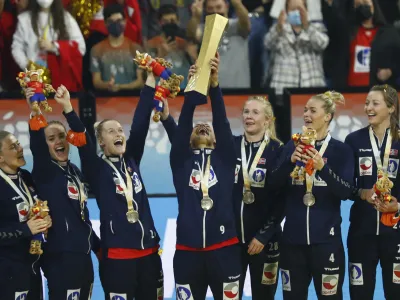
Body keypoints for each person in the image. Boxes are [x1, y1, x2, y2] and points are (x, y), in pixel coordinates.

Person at [50, 71, 165, 299]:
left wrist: (150, 83)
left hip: (150, 254)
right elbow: (83, 140)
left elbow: (140, 124)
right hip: (118, 258)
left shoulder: (132, 159)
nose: (118, 133)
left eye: (120, 130)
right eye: (111, 131)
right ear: (101, 142)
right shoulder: (96, 169)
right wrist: (68, 109)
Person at [171, 54, 242, 300]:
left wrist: (214, 85)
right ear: (189, 140)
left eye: (207, 128)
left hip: (224, 250)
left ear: (216, 140)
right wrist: (192, 89)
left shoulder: (225, 158)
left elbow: (221, 123)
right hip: (187, 252)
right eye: (196, 128)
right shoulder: (180, 161)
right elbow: (182, 127)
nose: (202, 126)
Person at [271, 91, 354, 299]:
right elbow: (271, 185)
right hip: (292, 244)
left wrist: (322, 168)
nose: (306, 114)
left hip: (327, 244)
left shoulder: (341, 151)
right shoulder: (292, 146)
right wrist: (289, 161)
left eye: (312, 110)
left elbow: (346, 191)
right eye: (305, 110)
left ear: (327, 116)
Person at [25, 87, 99, 299]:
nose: (59, 141)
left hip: (83, 255)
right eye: (51, 138)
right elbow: (37, 144)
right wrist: (35, 111)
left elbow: (79, 216)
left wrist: (97, 247)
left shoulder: (74, 171)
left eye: (61, 136)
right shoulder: (44, 171)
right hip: (61, 257)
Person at [345, 84, 400, 299]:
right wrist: (361, 193)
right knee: (360, 294)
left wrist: (398, 206)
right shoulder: (354, 140)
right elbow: (344, 186)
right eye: (367, 103)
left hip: (396, 233)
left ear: (391, 108)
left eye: (375, 103)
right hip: (361, 233)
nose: (368, 107)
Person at [232, 96, 284, 299]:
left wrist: (263, 235)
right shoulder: (231, 146)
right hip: (232, 242)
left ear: (267, 120)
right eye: (246, 112)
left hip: (265, 243)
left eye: (255, 112)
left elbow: (282, 200)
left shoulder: (278, 151)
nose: (249, 116)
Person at [0, 131, 52, 300]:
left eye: (18, 144)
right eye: (12, 147)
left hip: (33, 264)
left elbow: (33, 207)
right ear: (0, 157)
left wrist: (44, 220)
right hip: (8, 270)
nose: (19, 149)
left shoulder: (26, 177)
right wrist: (25, 230)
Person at [12, 0, 85, 91]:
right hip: (33, 81)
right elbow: (17, 47)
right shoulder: (24, 19)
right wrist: (27, 65)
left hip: (59, 80)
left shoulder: (66, 18)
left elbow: (81, 47)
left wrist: (55, 47)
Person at [90, 3, 144, 92]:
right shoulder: (96, 50)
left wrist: (120, 87)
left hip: (132, 99)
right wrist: (107, 85)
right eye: (111, 21)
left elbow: (140, 81)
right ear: (105, 23)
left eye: (119, 20)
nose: (116, 24)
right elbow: (96, 81)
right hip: (106, 101)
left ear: (125, 21)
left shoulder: (135, 48)